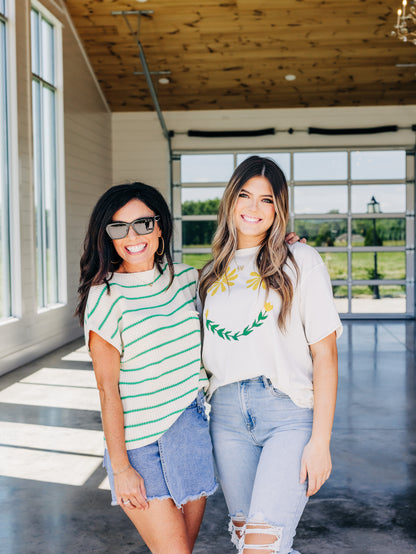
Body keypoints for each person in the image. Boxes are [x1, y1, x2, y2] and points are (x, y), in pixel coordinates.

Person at [198, 156, 342, 554]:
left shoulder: (301, 261)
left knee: (263, 545)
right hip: (226, 417)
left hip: (288, 415)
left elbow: (325, 356)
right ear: (230, 201)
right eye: (245, 196)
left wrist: (321, 440)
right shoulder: (212, 274)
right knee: (252, 545)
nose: (253, 208)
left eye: (267, 200)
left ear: (279, 208)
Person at [75, 183, 217, 554]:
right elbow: (107, 390)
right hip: (138, 446)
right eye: (118, 227)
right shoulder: (105, 296)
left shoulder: (188, 280)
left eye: (142, 223)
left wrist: (285, 246)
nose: (132, 236)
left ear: (160, 227)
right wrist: (120, 468)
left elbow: (243, 283)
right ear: (107, 236)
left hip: (189, 429)